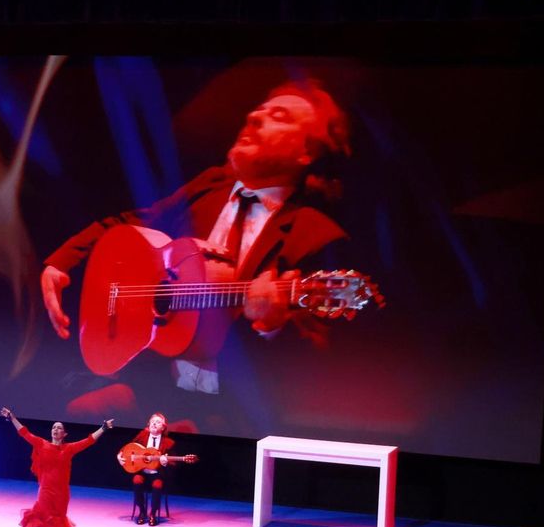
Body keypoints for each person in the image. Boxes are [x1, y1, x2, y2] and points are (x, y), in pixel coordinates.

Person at [40, 80, 352, 401]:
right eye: (259, 109)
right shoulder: (209, 187)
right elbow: (134, 222)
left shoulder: (318, 236)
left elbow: (324, 368)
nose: (253, 117)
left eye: (279, 116)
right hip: (153, 382)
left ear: (307, 152)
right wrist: (61, 261)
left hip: (232, 411)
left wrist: (272, 326)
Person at [0, 408, 111, 527]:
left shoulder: (69, 448)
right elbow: (24, 433)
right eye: (53, 428)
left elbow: (88, 441)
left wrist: (104, 428)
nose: (56, 430)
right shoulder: (42, 444)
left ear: (64, 434)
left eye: (59, 428)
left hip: (62, 494)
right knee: (42, 523)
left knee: (57, 525)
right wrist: (12, 418)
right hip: (46, 492)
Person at [116, 413, 198, 526]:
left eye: (158, 422)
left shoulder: (169, 443)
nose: (154, 423)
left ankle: (153, 514)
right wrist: (119, 456)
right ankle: (142, 512)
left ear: (163, 427)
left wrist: (165, 463)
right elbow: (128, 448)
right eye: (152, 421)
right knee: (136, 480)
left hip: (158, 474)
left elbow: (173, 464)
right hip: (142, 471)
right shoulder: (142, 436)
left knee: (157, 485)